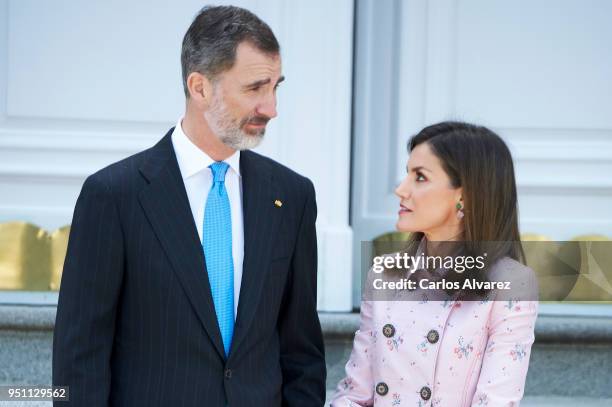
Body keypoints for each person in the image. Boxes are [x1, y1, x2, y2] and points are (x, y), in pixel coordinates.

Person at [52, 5, 326, 406]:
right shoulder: (113, 196)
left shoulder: (292, 196)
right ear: (200, 87)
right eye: (255, 88)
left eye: (275, 87)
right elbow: (79, 358)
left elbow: (301, 350)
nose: (271, 108)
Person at [331, 122, 539, 406]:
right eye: (407, 174)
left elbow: (496, 401)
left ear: (463, 195)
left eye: (420, 177)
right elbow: (354, 394)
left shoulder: (511, 285)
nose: (400, 190)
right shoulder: (385, 273)